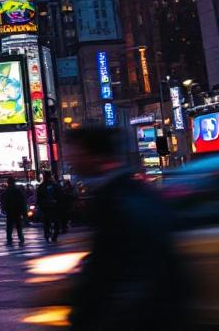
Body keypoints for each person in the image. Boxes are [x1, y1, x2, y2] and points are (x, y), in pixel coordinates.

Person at [64, 128, 189, 330]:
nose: (70, 159)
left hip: (136, 311)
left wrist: (83, 313)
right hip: (150, 306)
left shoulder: (115, 198)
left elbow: (108, 264)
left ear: (92, 155)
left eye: (75, 153)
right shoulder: (130, 190)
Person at [1, 177, 27, 246]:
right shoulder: (17, 191)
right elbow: (22, 202)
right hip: (17, 210)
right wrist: (24, 213)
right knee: (18, 225)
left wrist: (4, 208)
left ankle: (9, 238)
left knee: (9, 225)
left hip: (10, 211)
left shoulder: (6, 191)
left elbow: (4, 201)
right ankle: (20, 238)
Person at [37, 171, 61, 244]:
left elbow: (39, 198)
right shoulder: (54, 185)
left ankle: (49, 235)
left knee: (47, 222)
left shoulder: (43, 186)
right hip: (51, 207)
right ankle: (53, 235)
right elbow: (60, 195)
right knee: (53, 222)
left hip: (48, 207)